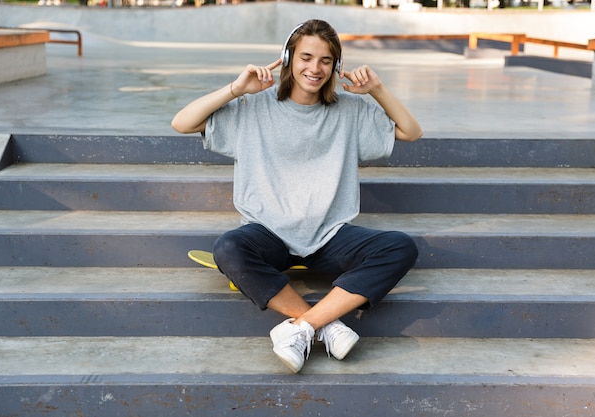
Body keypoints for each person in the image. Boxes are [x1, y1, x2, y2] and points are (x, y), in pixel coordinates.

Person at [172, 19, 423, 373]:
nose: (315, 68)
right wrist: (236, 88)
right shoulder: (253, 108)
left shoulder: (351, 111)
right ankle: (327, 325)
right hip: (267, 234)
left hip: (329, 237)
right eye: (306, 57)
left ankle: (303, 328)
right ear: (288, 58)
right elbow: (181, 123)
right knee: (229, 248)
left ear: (335, 66)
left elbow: (411, 132)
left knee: (400, 247)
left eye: (325, 60)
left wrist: (378, 89)